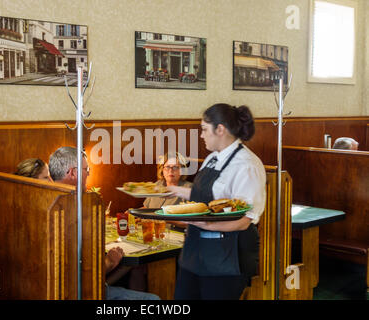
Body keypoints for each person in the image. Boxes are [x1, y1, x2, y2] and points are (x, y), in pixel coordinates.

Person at [167, 103, 266, 300]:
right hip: (195, 253)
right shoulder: (212, 158)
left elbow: (245, 220)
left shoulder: (247, 165)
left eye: (204, 129)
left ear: (220, 129)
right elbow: (204, 198)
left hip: (226, 256)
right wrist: (168, 190)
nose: (201, 135)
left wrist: (205, 224)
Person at [48, 146, 160, 300]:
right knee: (154, 300)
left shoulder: (47, 199)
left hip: (61, 288)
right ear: (73, 172)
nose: (88, 173)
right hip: (77, 292)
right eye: (86, 169)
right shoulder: (72, 206)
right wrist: (109, 262)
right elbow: (79, 271)